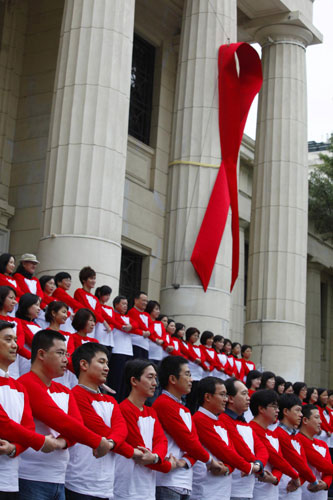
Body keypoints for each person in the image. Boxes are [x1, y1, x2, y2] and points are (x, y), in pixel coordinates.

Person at [18, 330, 112, 500]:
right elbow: (61, 422)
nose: (65, 360)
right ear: (41, 354)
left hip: (59, 478)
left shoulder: (64, 390)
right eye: (60, 353)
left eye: (67, 354)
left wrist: (61, 442)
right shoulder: (26, 383)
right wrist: (97, 442)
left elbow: (75, 425)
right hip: (31, 477)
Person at [0, 320, 60, 498]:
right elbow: (4, 424)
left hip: (10, 480)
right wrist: (40, 441)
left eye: (15, 340)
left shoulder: (19, 388)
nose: (14, 345)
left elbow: (28, 428)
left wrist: (13, 449)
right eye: (8, 339)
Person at [153, 356, 223, 500]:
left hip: (184, 480)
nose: (191, 380)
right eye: (187, 374)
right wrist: (210, 461)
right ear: (172, 379)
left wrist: (186, 462)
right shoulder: (163, 404)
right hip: (166, 481)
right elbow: (187, 441)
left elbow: (194, 443)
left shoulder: (184, 409)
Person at [65, 342, 128, 500]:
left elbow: (122, 429)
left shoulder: (111, 400)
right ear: (84, 364)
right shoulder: (75, 395)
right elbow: (97, 428)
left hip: (106, 485)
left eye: (107, 363)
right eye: (101, 362)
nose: (107, 368)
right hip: (79, 484)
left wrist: (111, 443)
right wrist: (128, 450)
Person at [114, 359, 177, 500]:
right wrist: (167, 465)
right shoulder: (124, 409)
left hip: (147, 488)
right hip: (127, 489)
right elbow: (141, 452)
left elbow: (162, 441)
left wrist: (155, 457)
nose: (155, 383)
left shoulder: (151, 411)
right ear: (134, 381)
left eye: (155, 378)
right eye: (150, 377)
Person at [191, 377, 257, 500]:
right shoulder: (199, 419)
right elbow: (222, 450)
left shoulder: (219, 422)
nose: (225, 400)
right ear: (208, 397)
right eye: (222, 395)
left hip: (222, 490)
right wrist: (248, 467)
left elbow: (231, 451)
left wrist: (227, 469)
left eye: (226, 395)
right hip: (204, 490)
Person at [219, 377, 268, 500]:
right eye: (244, 393)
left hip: (247, 488)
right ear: (230, 398)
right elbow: (240, 447)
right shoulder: (224, 419)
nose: (248, 397)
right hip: (233, 488)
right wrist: (258, 468)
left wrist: (258, 464)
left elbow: (262, 449)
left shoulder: (245, 423)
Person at [249, 389, 300, 500]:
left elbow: (279, 462)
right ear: (261, 408)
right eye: (274, 406)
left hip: (271, 491)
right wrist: (295, 476)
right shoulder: (252, 429)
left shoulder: (273, 434)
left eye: (278, 407)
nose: (277, 411)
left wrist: (274, 479)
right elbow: (274, 457)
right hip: (256, 491)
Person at [275, 394, 317, 500]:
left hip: (294, 486)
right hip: (282, 488)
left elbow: (303, 462)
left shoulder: (296, 437)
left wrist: (299, 482)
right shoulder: (278, 434)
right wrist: (313, 481)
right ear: (285, 411)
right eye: (297, 410)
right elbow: (296, 461)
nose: (301, 415)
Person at [297, 404, 333, 500]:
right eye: (316, 417)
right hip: (302, 494)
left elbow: (328, 470)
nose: (320, 422)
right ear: (305, 420)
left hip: (320, 495)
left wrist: (325, 484)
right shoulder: (298, 439)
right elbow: (321, 464)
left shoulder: (323, 444)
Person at [108, 295, 134, 401]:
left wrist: (131, 326)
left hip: (128, 352)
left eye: (127, 304)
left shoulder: (128, 318)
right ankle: (114, 402)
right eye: (123, 304)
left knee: (125, 382)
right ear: (116, 304)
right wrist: (129, 326)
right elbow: (119, 324)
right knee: (116, 380)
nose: (125, 306)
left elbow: (136, 324)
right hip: (117, 351)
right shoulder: (113, 315)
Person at [0, 286, 30, 379]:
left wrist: (31, 356)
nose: (14, 301)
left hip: (13, 362)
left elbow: (20, 342)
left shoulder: (17, 321)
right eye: (11, 298)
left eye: (15, 298)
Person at [45, 301, 76, 388]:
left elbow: (70, 353)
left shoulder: (68, 335)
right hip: (49, 374)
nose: (66, 316)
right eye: (63, 312)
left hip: (64, 376)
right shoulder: (45, 334)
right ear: (53, 313)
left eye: (67, 313)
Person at [74, 266, 111, 338]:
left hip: (91, 330)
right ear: (84, 280)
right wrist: (105, 323)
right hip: (80, 328)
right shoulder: (79, 292)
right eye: (91, 278)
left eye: (94, 278)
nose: (94, 281)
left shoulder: (95, 298)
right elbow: (88, 309)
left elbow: (99, 313)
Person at [183, 327, 209, 414]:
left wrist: (200, 361)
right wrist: (196, 359)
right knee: (189, 398)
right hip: (191, 374)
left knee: (195, 399)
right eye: (194, 335)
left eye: (197, 336)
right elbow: (189, 354)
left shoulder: (198, 348)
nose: (196, 337)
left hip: (198, 376)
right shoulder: (185, 344)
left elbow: (203, 357)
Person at [16, 293, 42, 375]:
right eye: (36, 305)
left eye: (39, 305)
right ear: (27, 305)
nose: (39, 309)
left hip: (37, 360)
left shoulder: (37, 325)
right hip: (26, 360)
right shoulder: (19, 323)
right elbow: (33, 341)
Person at [127, 291, 152, 359]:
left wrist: (149, 332)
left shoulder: (147, 314)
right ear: (136, 300)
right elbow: (137, 325)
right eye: (143, 300)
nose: (145, 303)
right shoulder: (132, 311)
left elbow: (151, 326)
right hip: (135, 343)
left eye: (146, 301)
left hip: (145, 345)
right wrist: (146, 332)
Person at [146, 300, 168, 365]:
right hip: (149, 352)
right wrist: (156, 340)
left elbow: (164, 335)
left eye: (159, 309)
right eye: (156, 309)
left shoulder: (160, 324)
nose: (158, 311)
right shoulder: (147, 321)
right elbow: (149, 333)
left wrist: (162, 340)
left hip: (158, 354)